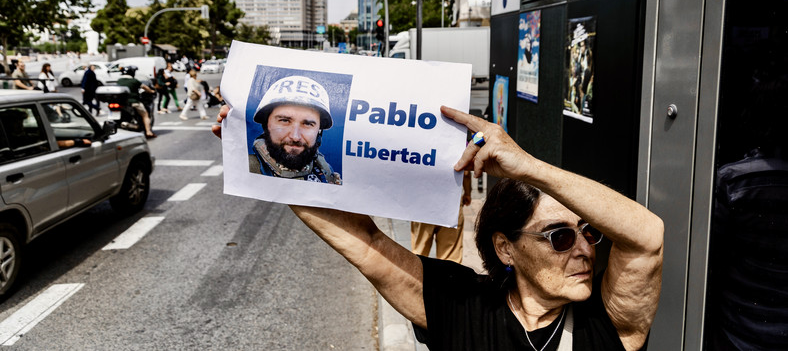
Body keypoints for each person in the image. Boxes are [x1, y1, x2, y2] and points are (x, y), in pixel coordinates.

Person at [213, 103, 662, 350]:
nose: (584, 249)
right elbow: (368, 244)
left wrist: (529, 167)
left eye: (590, 232)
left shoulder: (609, 325)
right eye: (561, 236)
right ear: (505, 248)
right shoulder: (461, 306)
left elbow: (646, 239)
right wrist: (263, 162)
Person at [247, 75, 341, 185]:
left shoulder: (324, 170)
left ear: (319, 131)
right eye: (284, 121)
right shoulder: (246, 169)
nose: (295, 137)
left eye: (308, 124)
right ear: (266, 125)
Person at [410, 170, 472, 264]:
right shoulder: (456, 153)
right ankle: (447, 278)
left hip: (422, 202)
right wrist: (467, 192)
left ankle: (417, 277)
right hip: (450, 202)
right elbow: (466, 172)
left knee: (420, 252)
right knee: (450, 256)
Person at [116, 66, 157, 139]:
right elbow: (145, 87)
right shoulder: (134, 81)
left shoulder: (119, 80)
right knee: (145, 115)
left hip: (121, 103)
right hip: (134, 102)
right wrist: (151, 91)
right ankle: (148, 132)